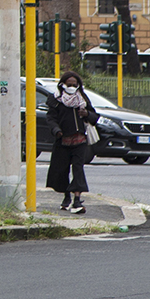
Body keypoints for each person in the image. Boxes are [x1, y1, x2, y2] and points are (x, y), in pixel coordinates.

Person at [45, 71, 98, 214]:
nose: (72, 87)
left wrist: (87, 114)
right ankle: (66, 197)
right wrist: (56, 130)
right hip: (62, 141)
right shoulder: (55, 99)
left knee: (78, 169)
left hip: (80, 141)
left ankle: (77, 200)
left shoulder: (82, 99)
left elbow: (94, 117)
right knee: (61, 170)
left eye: (75, 84)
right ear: (63, 84)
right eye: (69, 84)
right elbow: (50, 118)